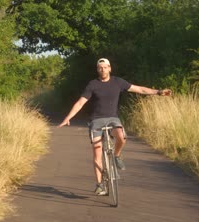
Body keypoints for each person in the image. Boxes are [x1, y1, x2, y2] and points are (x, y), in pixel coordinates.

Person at [57, 58, 172, 195]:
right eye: (100, 68)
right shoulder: (93, 84)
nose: (103, 70)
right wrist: (68, 117)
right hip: (96, 120)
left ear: (110, 68)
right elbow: (81, 102)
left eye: (105, 67)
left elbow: (139, 89)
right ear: (97, 70)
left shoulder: (118, 82)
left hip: (112, 118)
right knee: (97, 151)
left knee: (121, 136)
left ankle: (116, 155)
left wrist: (158, 92)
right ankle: (100, 185)